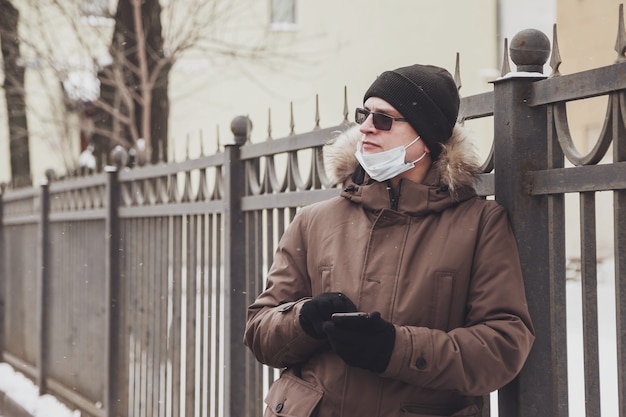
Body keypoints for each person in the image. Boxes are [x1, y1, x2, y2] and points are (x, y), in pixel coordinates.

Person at [244, 64, 534, 417]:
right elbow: (260, 334)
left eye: (384, 119)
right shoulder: (314, 220)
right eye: (364, 114)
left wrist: (396, 349)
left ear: (425, 138)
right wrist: (304, 319)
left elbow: (502, 346)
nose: (365, 127)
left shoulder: (480, 224)